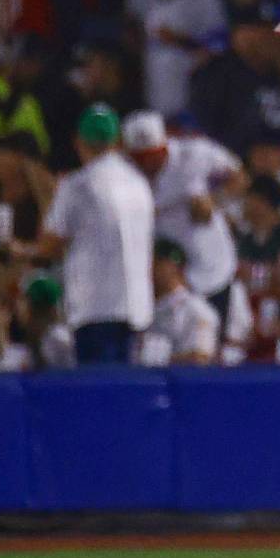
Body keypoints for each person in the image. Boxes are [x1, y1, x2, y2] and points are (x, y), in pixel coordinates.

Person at [20, 105, 155, 364]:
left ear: (79, 142)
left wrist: (47, 196)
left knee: (100, 385)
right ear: (117, 141)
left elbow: (49, 246)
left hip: (97, 308)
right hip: (138, 308)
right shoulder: (139, 184)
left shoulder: (77, 185)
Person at [122, 112, 243, 328]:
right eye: (141, 157)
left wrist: (214, 200)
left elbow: (239, 177)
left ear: (164, 145)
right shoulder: (124, 171)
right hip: (164, 276)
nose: (148, 162)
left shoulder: (194, 153)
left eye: (153, 155)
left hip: (210, 268)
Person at [140, 237, 220, 366]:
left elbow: (200, 359)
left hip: (176, 378)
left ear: (173, 267)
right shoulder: (145, 306)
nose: (150, 269)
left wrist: (158, 358)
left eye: (156, 263)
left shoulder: (196, 310)